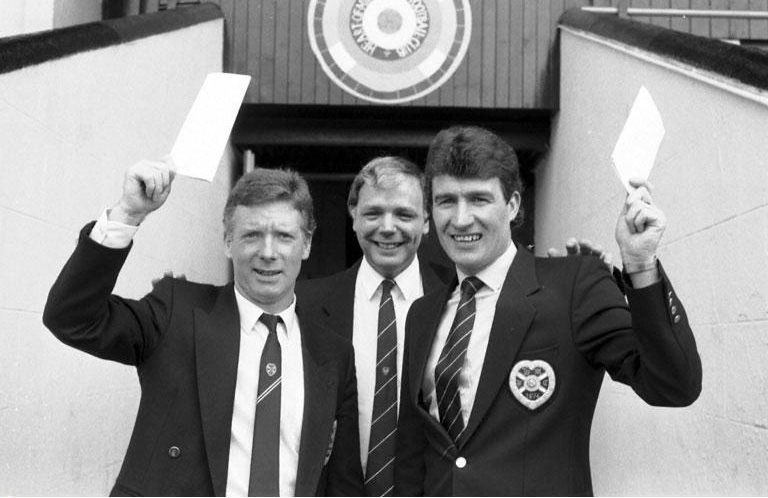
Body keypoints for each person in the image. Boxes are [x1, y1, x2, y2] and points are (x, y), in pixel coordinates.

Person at [394, 126, 702, 496]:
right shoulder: (422, 314)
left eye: (479, 199)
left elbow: (674, 385)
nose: (460, 219)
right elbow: (414, 453)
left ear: (513, 205)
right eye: (446, 201)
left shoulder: (574, 285)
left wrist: (640, 265)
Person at [43, 159, 363, 496]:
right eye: (251, 235)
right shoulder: (177, 313)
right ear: (227, 242)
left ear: (307, 244)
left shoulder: (333, 355)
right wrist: (128, 213)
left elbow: (339, 481)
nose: (268, 252)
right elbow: (72, 318)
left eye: (284, 236)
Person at [297, 156, 451, 497]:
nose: (387, 227)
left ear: (426, 221)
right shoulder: (303, 304)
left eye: (404, 214)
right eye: (373, 213)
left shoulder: (457, 299)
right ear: (353, 216)